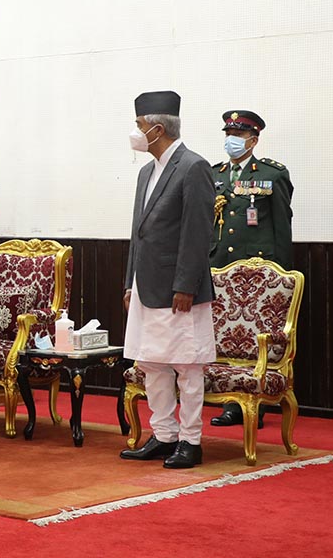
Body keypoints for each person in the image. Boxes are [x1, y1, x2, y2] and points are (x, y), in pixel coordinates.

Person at [119, 91, 215, 469]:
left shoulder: (193, 167)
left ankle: (191, 441)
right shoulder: (146, 172)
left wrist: (186, 285)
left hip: (179, 289)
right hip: (147, 287)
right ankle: (163, 434)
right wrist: (130, 282)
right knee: (151, 363)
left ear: (157, 129)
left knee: (187, 366)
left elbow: (197, 233)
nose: (136, 132)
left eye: (139, 125)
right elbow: (138, 234)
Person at [208, 110, 293, 428]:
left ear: (253, 140)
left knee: (254, 336)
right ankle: (229, 399)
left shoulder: (272, 174)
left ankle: (253, 403)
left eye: (238, 135)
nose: (231, 140)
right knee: (223, 336)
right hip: (220, 266)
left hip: (259, 272)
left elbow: (282, 225)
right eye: (228, 134)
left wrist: (282, 273)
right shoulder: (214, 175)